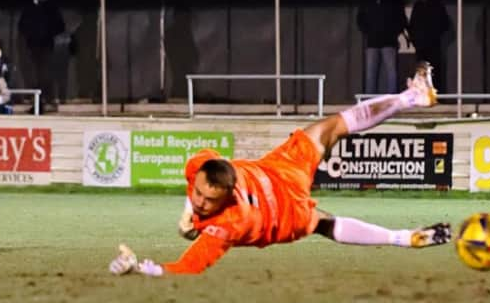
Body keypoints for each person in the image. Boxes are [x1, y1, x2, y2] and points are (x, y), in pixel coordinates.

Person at [109, 63, 451, 277]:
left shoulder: (216, 198)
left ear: (225, 192)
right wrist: (174, 230)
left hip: (278, 190)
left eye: (205, 198)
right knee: (326, 160)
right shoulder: (216, 198)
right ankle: (411, 101)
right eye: (198, 196)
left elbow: (189, 264)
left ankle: (412, 99)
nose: (198, 201)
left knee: (326, 157)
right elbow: (189, 263)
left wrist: (152, 257)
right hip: (279, 193)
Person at [357, 0, 407, 94]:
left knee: (389, 72)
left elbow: (401, 20)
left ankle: (391, 97)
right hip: (375, 41)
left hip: (386, 41)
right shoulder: (369, 2)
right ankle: (370, 99)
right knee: (373, 73)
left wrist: (393, 33)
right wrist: (367, 32)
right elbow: (360, 20)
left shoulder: (391, 2)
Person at [18, 0, 65, 111]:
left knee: (45, 74)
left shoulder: (50, 9)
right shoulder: (30, 9)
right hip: (34, 47)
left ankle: (47, 100)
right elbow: (22, 26)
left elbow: (60, 26)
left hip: (46, 47)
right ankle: (39, 101)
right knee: (36, 75)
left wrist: (48, 35)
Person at [408, 0, 451, 94]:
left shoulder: (437, 6)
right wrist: (414, 40)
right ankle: (422, 94)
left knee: (434, 70)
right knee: (422, 71)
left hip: (433, 44)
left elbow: (445, 24)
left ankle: (435, 93)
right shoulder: (418, 6)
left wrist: (435, 34)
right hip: (422, 45)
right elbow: (412, 25)